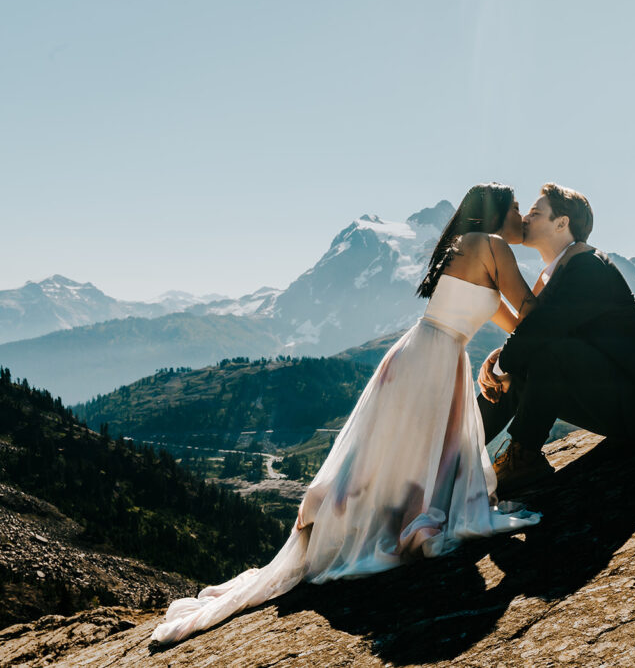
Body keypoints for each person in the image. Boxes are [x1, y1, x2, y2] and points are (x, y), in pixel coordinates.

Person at [151, 183, 542, 645]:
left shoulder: (469, 249)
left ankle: (378, 520)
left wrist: (499, 355)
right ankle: (402, 524)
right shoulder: (492, 245)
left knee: (394, 456)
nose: (523, 216)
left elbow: (513, 324)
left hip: (425, 357)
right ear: (497, 211)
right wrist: (543, 295)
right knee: (410, 456)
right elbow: (531, 313)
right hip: (432, 362)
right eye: (517, 208)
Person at [477, 183, 635, 496]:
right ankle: (455, 454)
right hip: (612, 387)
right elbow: (536, 334)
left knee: (544, 352)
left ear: (561, 223)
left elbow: (544, 332)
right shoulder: (554, 270)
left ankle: (523, 456)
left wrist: (503, 362)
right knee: (525, 364)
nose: (524, 219)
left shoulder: (589, 266)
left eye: (535, 213)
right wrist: (501, 360)